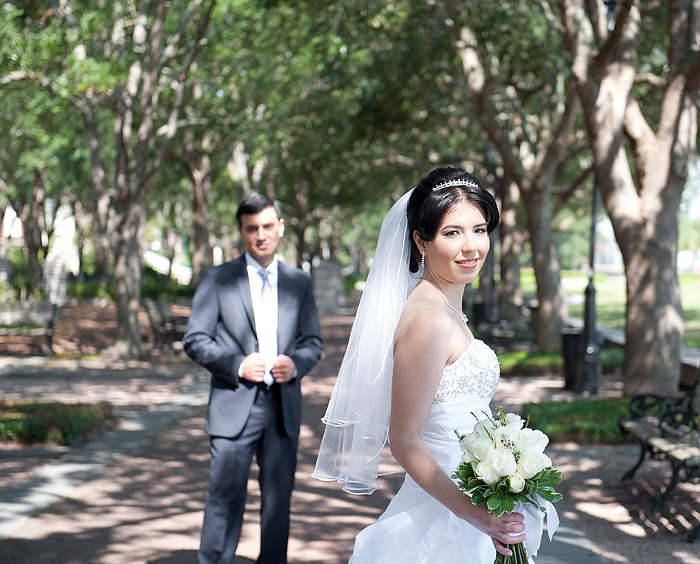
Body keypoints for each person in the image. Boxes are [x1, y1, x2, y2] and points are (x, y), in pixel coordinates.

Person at [313, 167, 557, 563]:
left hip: (471, 497)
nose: (471, 247)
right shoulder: (428, 320)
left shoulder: (447, 307)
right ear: (420, 240)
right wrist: (478, 515)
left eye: (479, 230)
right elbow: (405, 440)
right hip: (448, 511)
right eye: (451, 232)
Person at [184, 193, 323, 564]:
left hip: (282, 407)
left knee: (278, 500)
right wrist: (236, 363)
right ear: (241, 232)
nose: (260, 235)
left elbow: (312, 342)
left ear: (280, 227)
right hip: (233, 402)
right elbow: (195, 339)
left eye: (266, 226)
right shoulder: (217, 279)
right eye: (251, 228)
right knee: (224, 498)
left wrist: (295, 364)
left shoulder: (299, 282)